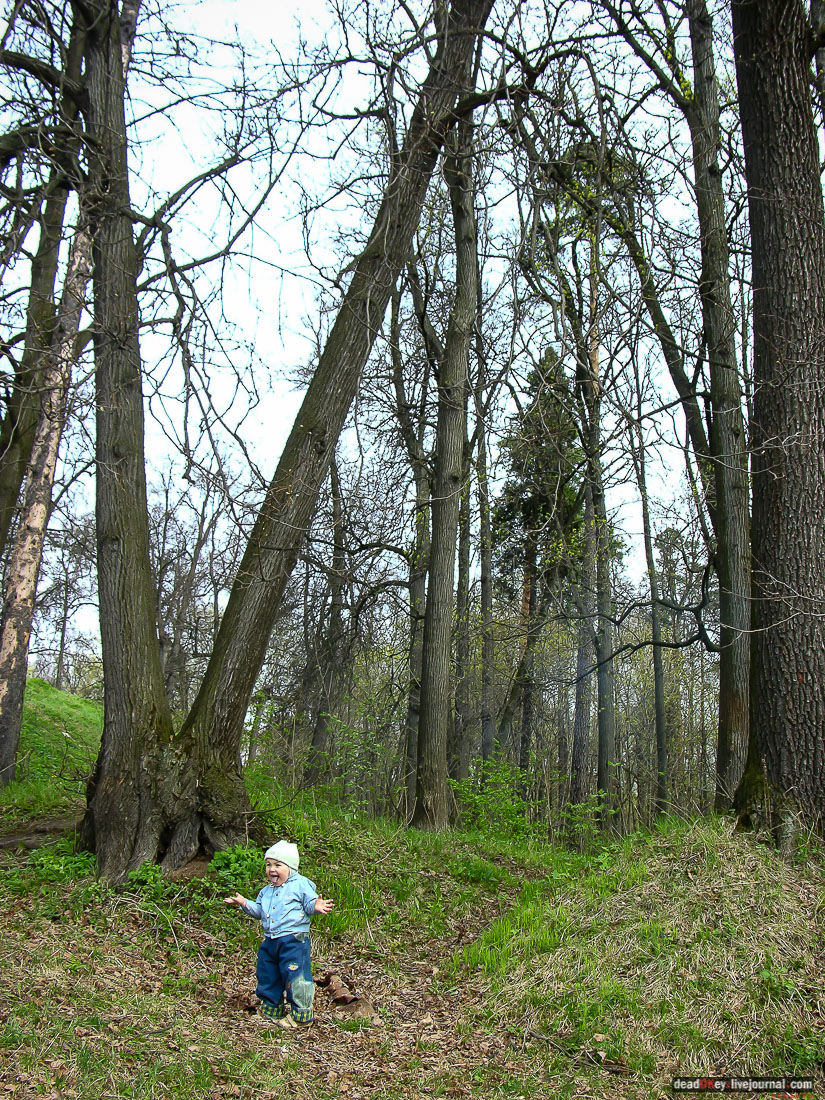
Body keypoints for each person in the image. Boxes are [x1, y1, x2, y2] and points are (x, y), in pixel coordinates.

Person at [225, 840, 334, 1028]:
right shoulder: (266, 891)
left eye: (278, 865)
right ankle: (271, 1008)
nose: (271, 869)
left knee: (295, 975)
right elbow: (259, 911)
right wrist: (244, 903)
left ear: (290, 867)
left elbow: (309, 904)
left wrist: (316, 906)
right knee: (268, 973)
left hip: (293, 941)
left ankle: (301, 1015)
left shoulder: (300, 884)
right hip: (271, 940)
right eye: (268, 865)